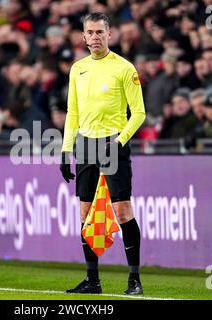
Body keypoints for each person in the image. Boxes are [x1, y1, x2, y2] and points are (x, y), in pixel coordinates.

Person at [59, 13, 146, 295]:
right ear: (83, 37)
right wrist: (65, 150)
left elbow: (139, 114)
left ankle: (134, 280)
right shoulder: (77, 69)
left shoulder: (124, 68)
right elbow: (73, 112)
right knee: (85, 213)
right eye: (90, 32)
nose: (95, 37)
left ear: (109, 35)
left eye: (100, 32)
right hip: (85, 145)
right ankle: (92, 280)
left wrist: (119, 142)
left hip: (113, 144)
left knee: (122, 211)